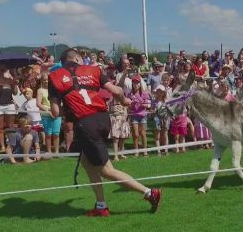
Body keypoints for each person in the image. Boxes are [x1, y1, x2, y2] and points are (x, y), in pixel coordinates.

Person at [48, 49, 161, 217]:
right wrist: (124, 101)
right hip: (103, 118)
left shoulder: (55, 77)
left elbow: (55, 111)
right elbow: (117, 91)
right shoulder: (93, 70)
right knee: (87, 161)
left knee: (107, 170)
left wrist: (71, 111)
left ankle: (149, 193)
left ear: (63, 62)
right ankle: (101, 206)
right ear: (78, 58)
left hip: (86, 124)